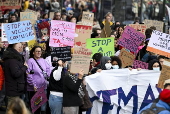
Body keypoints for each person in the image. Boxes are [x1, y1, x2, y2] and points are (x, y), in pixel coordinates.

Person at [27, 46, 51, 114]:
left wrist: (48, 75)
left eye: (40, 51)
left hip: (43, 86)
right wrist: (32, 85)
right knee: (36, 107)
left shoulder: (43, 60)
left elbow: (48, 69)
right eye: (37, 51)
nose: (38, 53)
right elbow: (29, 74)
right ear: (33, 52)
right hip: (35, 88)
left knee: (42, 106)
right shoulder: (30, 61)